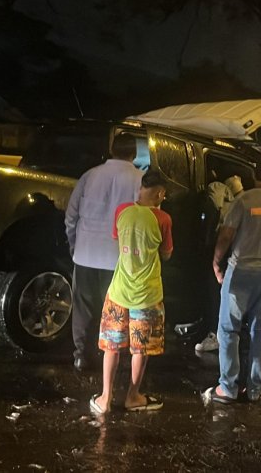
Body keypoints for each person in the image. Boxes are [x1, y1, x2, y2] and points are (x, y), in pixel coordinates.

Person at [204, 154, 261, 405]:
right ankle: (255, 388)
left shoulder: (243, 201)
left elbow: (225, 235)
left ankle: (228, 387)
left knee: (228, 329)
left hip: (242, 271)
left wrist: (216, 260)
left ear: (255, 175)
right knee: (260, 332)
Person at [89, 171, 174, 415]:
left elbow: (117, 239)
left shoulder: (122, 211)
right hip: (147, 294)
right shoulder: (163, 218)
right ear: (159, 193)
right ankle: (133, 396)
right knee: (140, 349)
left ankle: (105, 399)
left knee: (112, 347)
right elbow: (167, 253)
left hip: (119, 291)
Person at [65, 133, 142, 371]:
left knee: (84, 309)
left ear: (112, 150)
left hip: (86, 253)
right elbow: (144, 221)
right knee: (116, 310)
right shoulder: (140, 179)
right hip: (119, 258)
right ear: (135, 153)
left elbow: (71, 215)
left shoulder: (90, 175)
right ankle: (112, 357)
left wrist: (74, 244)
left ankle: (81, 356)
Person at [196, 174, 244, 354]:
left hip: (224, 253)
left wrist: (216, 262)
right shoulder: (250, 201)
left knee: (217, 295)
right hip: (244, 258)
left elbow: (224, 236)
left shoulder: (221, 192)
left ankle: (217, 335)